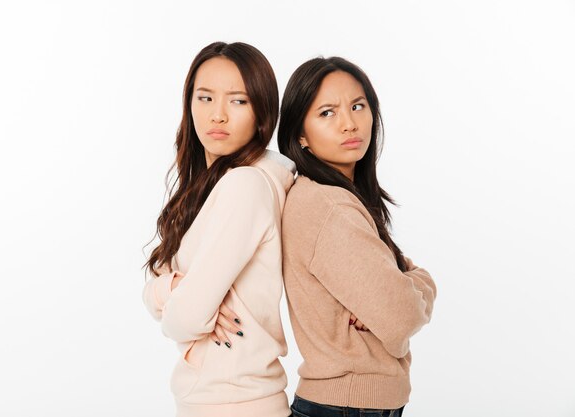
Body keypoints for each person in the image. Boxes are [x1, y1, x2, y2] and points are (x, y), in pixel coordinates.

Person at [278, 56, 437, 417]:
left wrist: (402, 282)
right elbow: (402, 314)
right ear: (300, 133)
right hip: (346, 405)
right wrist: (414, 285)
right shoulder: (328, 206)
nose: (349, 123)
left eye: (357, 106)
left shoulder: (340, 198)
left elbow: (398, 295)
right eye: (327, 113)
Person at [142, 41, 295, 417]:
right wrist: (176, 287)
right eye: (205, 98)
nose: (217, 116)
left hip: (235, 404)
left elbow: (183, 320)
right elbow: (156, 289)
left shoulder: (245, 185)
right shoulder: (210, 186)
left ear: (262, 111)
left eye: (238, 101)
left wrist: (179, 301)